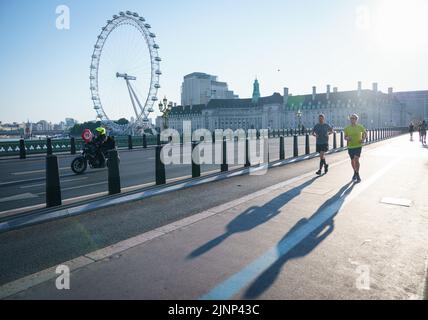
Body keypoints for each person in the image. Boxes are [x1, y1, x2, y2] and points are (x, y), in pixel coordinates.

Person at [344, 114, 367, 183]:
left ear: (356, 120)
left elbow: (365, 133)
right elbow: (345, 137)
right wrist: (347, 138)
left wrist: (363, 139)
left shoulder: (360, 127)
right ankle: (355, 172)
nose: (352, 119)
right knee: (352, 160)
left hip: (358, 146)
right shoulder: (347, 128)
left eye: (354, 118)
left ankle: (357, 174)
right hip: (350, 146)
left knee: (356, 159)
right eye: (351, 118)